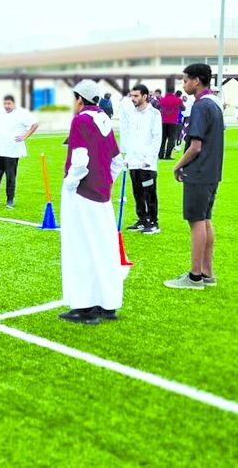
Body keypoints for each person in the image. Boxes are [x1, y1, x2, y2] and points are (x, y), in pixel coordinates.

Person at [58, 80, 126, 325]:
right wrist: (106, 182)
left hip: (82, 194)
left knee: (80, 249)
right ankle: (107, 305)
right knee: (104, 249)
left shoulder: (81, 121)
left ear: (79, 99)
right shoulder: (104, 120)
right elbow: (117, 161)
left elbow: (80, 160)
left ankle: (84, 307)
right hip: (102, 196)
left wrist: (69, 185)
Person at [165, 63, 225, 290]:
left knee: (197, 222)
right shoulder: (215, 105)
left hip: (199, 172)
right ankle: (207, 274)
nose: (184, 85)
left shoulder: (201, 106)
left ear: (197, 81)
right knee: (206, 220)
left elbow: (195, 146)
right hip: (211, 173)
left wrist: (177, 165)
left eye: (186, 80)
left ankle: (195, 276)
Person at [0, 94, 39, 209]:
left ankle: (10, 200)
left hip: (12, 151)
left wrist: (25, 136)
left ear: (13, 103)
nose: (7, 106)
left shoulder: (22, 114)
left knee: (10, 176)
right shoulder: (0, 113)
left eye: (9, 104)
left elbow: (35, 123)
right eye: (5, 104)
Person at [120, 84, 163, 234]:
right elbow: (131, 136)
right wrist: (128, 156)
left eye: (136, 96)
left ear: (145, 96)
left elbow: (157, 137)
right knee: (137, 192)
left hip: (147, 164)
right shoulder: (133, 114)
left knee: (149, 192)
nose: (133, 99)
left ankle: (153, 222)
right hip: (133, 162)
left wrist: (150, 158)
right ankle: (142, 219)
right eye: (132, 96)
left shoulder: (154, 114)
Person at [158, 89, 184, 159]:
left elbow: (157, 106)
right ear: (173, 92)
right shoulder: (177, 100)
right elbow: (183, 108)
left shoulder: (162, 99)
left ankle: (160, 155)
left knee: (162, 139)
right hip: (173, 121)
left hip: (163, 121)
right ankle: (167, 155)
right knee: (171, 139)